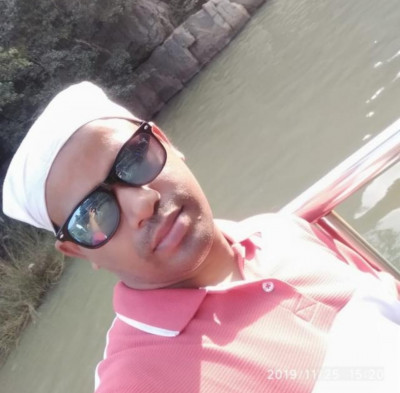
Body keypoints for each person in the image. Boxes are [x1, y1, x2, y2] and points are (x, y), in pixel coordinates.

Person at [2, 81, 400, 393]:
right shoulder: (137, 383)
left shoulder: (281, 231)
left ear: (166, 142)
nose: (143, 204)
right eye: (91, 214)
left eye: (134, 158)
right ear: (77, 250)